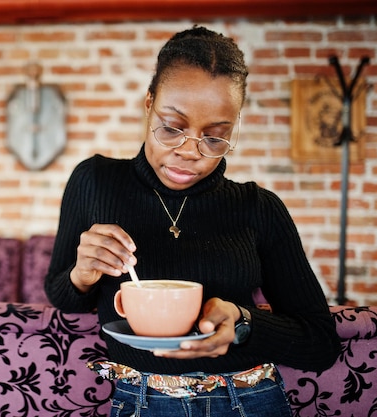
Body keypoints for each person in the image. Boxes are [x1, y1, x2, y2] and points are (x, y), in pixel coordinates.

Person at [44, 25, 340, 417]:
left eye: (215, 137)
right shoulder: (95, 181)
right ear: (148, 104)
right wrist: (82, 273)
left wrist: (243, 323)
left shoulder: (259, 207)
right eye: (172, 127)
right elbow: (60, 294)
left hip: (248, 402)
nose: (190, 152)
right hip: (139, 403)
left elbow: (320, 344)